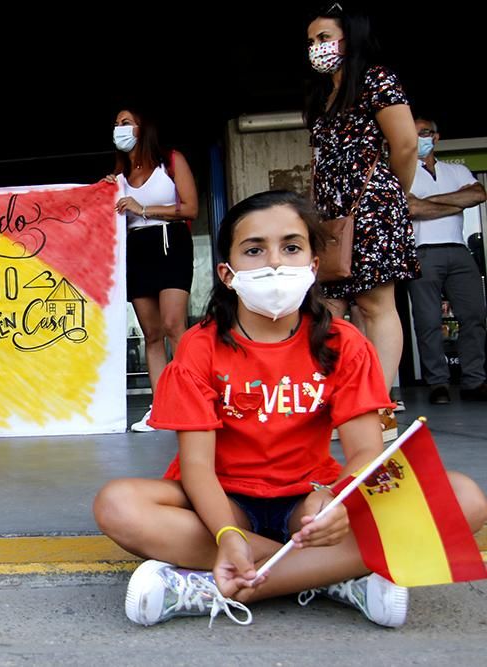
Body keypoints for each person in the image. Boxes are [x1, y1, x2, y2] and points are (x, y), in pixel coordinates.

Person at [92, 191, 487, 628]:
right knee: (118, 504)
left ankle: (218, 586)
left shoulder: (344, 342)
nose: (275, 262)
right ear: (227, 273)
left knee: (464, 498)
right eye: (254, 249)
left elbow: (363, 453)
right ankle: (338, 574)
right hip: (224, 504)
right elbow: (197, 468)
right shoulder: (198, 347)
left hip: (310, 500)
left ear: (313, 266)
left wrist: (335, 500)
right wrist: (226, 534)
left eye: (292, 247)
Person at [306, 5, 419, 440]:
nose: (316, 48)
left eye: (324, 38)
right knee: (329, 310)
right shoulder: (323, 95)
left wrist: (394, 195)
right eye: (311, 41)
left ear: (348, 39)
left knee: (375, 305)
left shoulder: (376, 79)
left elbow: (405, 144)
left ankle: (380, 408)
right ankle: (345, 402)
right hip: (331, 216)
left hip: (372, 206)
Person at [105, 107, 198, 432]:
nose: (119, 128)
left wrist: (143, 208)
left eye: (126, 122)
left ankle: (190, 399)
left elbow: (191, 208)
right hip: (137, 248)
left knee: (175, 325)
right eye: (116, 124)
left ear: (143, 127)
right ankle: (160, 408)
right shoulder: (118, 177)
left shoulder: (170, 161)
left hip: (169, 241)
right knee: (152, 334)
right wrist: (104, 194)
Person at [407, 116, 487, 403]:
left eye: (425, 133)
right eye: (414, 133)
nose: (420, 138)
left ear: (436, 137)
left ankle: (474, 381)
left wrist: (427, 203)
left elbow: (479, 194)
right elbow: (411, 208)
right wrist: (455, 202)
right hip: (422, 251)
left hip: (458, 249)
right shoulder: (403, 172)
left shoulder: (457, 170)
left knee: (474, 316)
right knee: (428, 321)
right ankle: (437, 383)